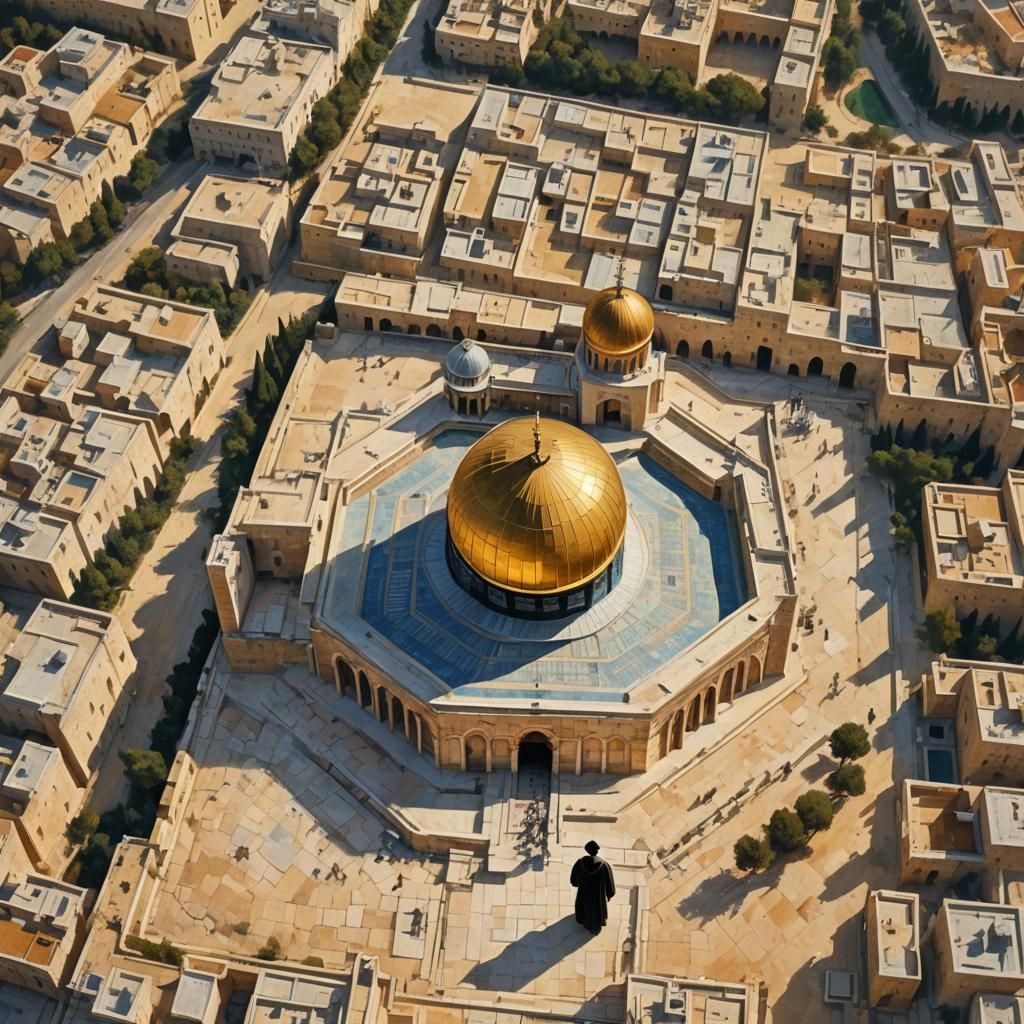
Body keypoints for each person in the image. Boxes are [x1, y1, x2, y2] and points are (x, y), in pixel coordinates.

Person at [570, 841, 616, 935]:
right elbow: (609, 881)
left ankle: (584, 920)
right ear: (597, 850)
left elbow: (574, 878)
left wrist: (577, 883)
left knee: (585, 906)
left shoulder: (581, 862)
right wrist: (609, 893)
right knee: (596, 909)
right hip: (597, 895)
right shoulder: (603, 864)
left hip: (584, 892)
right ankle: (595, 924)